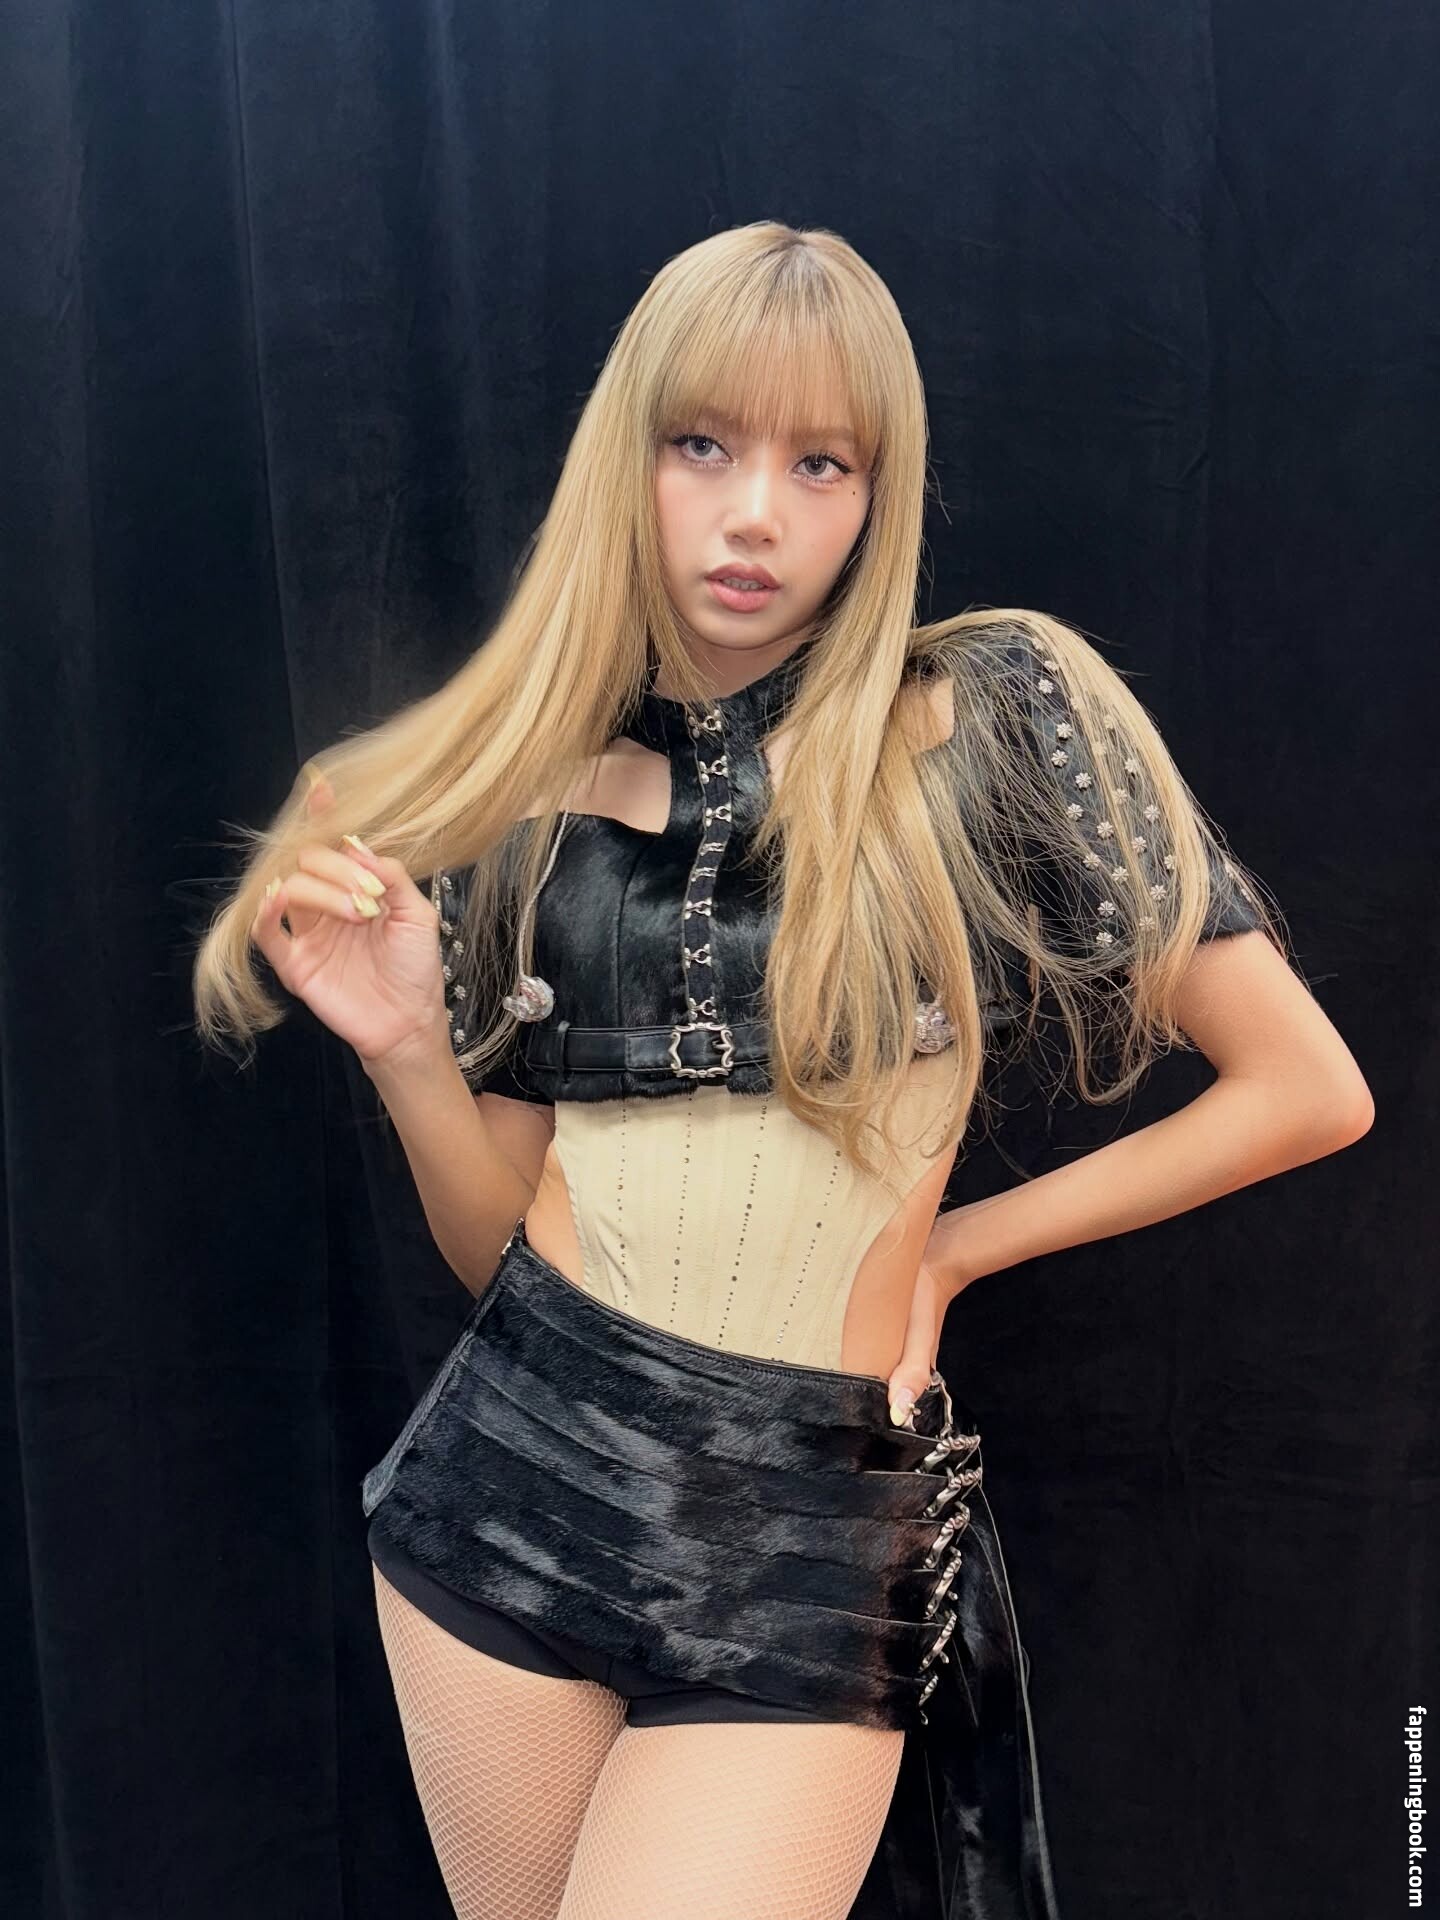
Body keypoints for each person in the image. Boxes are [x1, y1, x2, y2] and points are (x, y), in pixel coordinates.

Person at [192, 220, 1373, 1920]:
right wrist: (404, 1055)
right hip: (511, 1489)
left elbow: (1308, 1087)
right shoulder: (528, 797)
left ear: (879, 494)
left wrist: (953, 1255)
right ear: (629, 460)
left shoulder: (992, 719)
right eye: (703, 445)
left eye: (822, 463)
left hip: (808, 1530)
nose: (756, 514)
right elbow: (497, 1251)